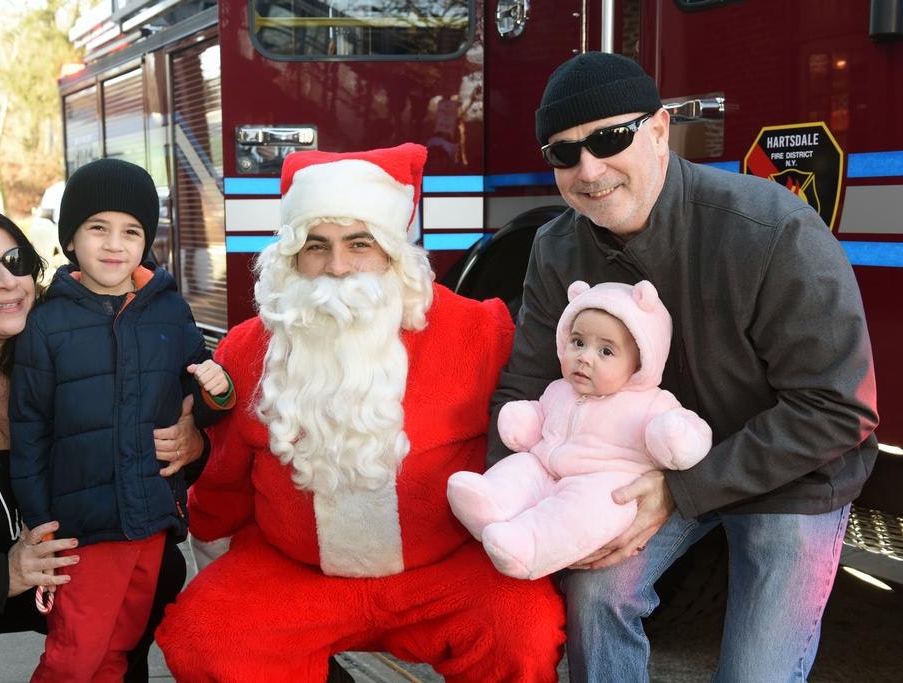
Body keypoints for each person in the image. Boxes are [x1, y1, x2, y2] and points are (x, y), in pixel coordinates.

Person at [489, 51, 879, 682]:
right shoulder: (557, 246)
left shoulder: (773, 229)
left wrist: (681, 490)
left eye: (610, 139)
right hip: (642, 461)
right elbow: (526, 383)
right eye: (564, 153)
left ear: (662, 129)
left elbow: (839, 408)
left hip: (793, 470)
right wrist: (504, 504)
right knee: (595, 595)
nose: (589, 170)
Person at [156, 143, 566, 682]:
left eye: (360, 243)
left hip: (443, 572)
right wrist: (202, 508)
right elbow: (224, 477)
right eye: (316, 246)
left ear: (394, 252)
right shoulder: (248, 349)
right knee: (205, 636)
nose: (338, 267)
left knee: (522, 629)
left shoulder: (479, 332)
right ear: (292, 257)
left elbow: (539, 441)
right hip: (297, 574)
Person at [0, 207, 207, 683]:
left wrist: (193, 444)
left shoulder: (73, 350)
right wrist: (4, 574)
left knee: (156, 574)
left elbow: (145, 454)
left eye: (17, 260)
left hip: (60, 568)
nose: (9, 281)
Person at [9, 158, 234, 682]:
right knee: (75, 655)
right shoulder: (47, 323)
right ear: (71, 238)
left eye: (131, 231)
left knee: (119, 647)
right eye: (98, 228)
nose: (115, 244)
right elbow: (30, 431)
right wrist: (41, 523)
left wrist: (215, 396)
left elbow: (192, 397)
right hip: (81, 530)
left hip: (149, 519)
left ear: (146, 240)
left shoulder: (169, 310)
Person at [449, 280, 711, 580]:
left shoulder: (649, 403)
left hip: (605, 484)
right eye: (578, 343)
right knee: (522, 466)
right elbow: (542, 415)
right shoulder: (560, 389)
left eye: (606, 351)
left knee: (583, 511)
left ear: (641, 361)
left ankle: (528, 545)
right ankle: (489, 503)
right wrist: (524, 420)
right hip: (548, 467)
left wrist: (676, 436)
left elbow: (689, 432)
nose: (585, 357)